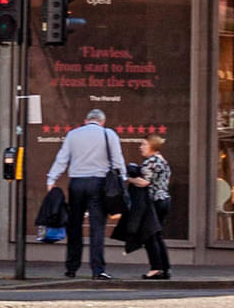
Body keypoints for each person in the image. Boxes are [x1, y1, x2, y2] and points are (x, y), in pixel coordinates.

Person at [47, 107, 130, 281]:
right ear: (102, 122)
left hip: (76, 183)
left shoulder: (73, 135)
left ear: (86, 121)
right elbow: (117, 160)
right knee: (97, 227)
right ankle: (97, 269)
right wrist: (122, 181)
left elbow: (62, 158)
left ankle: (71, 267)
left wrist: (51, 179)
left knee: (74, 226)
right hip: (99, 184)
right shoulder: (109, 134)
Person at [125, 136, 174, 281]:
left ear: (152, 146)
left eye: (144, 144)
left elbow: (144, 182)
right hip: (164, 199)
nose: (141, 147)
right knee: (157, 235)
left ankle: (156, 268)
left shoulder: (152, 161)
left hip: (153, 201)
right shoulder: (163, 160)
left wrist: (127, 179)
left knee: (149, 235)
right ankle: (165, 268)